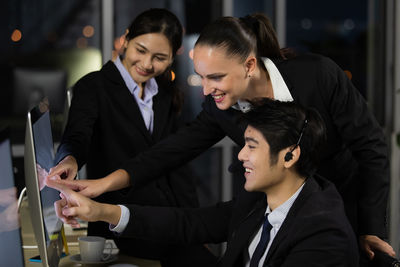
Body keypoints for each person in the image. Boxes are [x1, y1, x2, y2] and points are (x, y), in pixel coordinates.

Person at [49, 13, 395, 264]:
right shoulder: (223, 108)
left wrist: (370, 227)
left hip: (338, 212)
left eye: (215, 77)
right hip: (273, 211)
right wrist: (101, 187)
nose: (206, 87)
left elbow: (371, 149)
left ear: (248, 66)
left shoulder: (317, 76)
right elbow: (170, 152)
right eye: (201, 76)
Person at [47, 99, 359, 266]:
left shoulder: (323, 237)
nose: (240, 157)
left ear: (290, 157)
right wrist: (101, 212)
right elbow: (189, 222)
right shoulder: (262, 201)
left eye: (252, 146)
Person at [49, 8, 216, 266]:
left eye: (160, 57)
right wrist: (68, 159)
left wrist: (195, 225)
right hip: (120, 226)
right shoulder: (93, 86)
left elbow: (176, 163)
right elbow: (78, 135)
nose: (148, 64)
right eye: (141, 50)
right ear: (126, 40)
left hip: (169, 223)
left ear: (173, 57)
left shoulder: (164, 91)